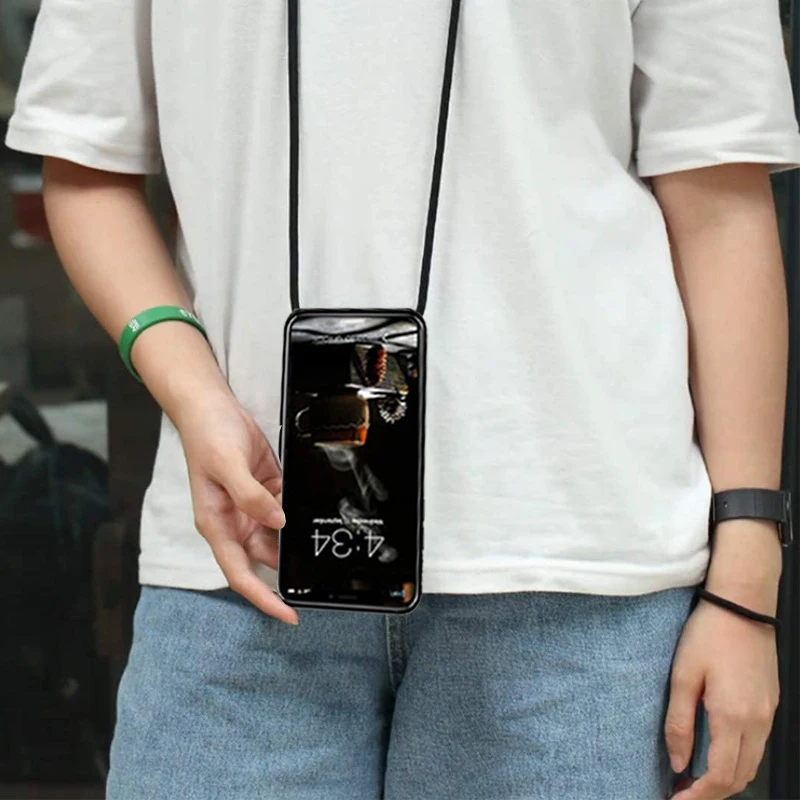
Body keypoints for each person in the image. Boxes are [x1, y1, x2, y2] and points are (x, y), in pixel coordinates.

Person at [7, 1, 800, 798]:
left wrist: (746, 585)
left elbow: (719, 200)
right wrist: (191, 390)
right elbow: (85, 161)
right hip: (248, 550)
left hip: (577, 574)